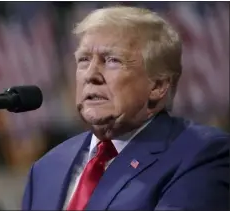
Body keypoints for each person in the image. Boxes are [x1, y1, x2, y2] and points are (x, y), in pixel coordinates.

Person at [21, 6, 229, 211]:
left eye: (112, 60)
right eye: (84, 60)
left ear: (157, 86)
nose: (90, 74)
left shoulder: (201, 154)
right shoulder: (45, 169)